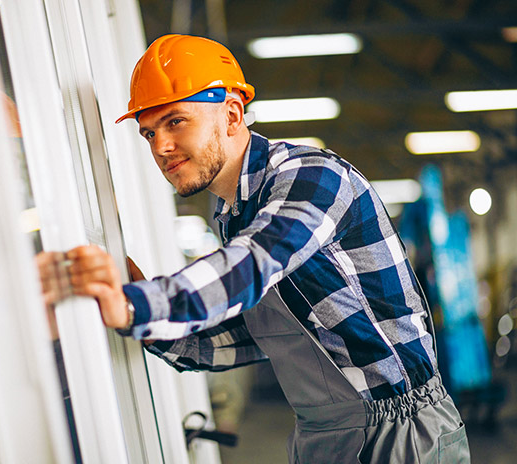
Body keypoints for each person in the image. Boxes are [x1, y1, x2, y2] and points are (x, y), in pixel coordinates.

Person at [37, 34, 470, 463]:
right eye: (148, 133)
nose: (161, 148)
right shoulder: (235, 216)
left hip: (403, 435)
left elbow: (255, 262)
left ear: (231, 113)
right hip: (325, 436)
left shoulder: (311, 177)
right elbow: (252, 338)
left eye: (175, 121)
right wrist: (139, 314)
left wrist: (137, 305)